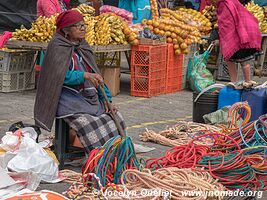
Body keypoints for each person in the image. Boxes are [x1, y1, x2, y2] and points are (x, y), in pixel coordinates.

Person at [34, 10, 126, 153]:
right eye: (78, 26)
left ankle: (114, 152)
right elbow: (58, 76)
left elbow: (97, 77)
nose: (83, 28)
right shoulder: (57, 47)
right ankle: (98, 155)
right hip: (66, 99)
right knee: (88, 125)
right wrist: (84, 76)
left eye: (84, 25)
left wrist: (108, 99)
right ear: (66, 30)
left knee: (115, 116)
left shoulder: (83, 46)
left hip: (87, 98)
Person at [210, 0, 261, 88]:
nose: (211, 3)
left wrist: (221, 38)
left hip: (241, 34)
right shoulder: (230, 1)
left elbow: (226, 24)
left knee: (240, 60)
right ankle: (239, 81)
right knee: (236, 60)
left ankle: (241, 81)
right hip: (247, 30)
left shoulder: (224, 4)